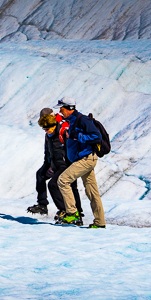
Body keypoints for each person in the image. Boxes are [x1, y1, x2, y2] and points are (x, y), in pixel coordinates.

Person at [56, 97, 106, 228]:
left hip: (86, 159)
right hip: (84, 159)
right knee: (92, 192)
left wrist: (76, 136)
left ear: (68, 108)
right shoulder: (72, 121)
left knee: (62, 180)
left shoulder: (82, 120)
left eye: (61, 109)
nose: (60, 112)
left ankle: (72, 213)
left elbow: (96, 136)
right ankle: (100, 222)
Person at [27, 108, 83, 222]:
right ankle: (43, 205)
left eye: (46, 128)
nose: (45, 130)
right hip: (54, 163)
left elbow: (70, 146)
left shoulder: (62, 128)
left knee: (64, 185)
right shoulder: (49, 131)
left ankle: (72, 211)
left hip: (66, 164)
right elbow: (48, 150)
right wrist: (48, 164)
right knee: (41, 175)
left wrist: (72, 164)